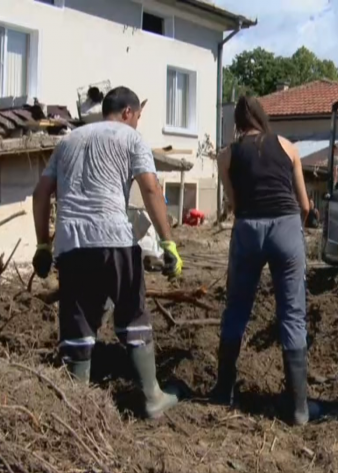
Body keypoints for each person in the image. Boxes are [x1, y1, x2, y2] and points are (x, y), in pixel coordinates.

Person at [31, 86, 183, 420]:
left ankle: (77, 404)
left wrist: (43, 244)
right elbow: (150, 187)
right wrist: (168, 241)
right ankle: (151, 397)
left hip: (72, 243)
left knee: (78, 319)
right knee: (132, 314)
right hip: (113, 237)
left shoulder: (67, 141)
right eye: (139, 118)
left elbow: (41, 193)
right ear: (128, 112)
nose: (138, 124)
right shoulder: (130, 139)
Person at [212, 95, 312, 425]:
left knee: (237, 308)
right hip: (286, 226)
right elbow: (306, 205)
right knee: (292, 313)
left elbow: (234, 202)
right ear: (262, 117)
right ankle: (298, 407)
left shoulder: (227, 155)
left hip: (248, 229)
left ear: (238, 123)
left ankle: (223, 391)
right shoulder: (287, 146)